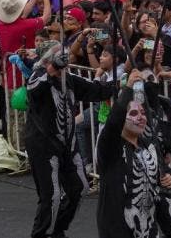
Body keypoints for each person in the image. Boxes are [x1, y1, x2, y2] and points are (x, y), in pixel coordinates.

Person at [24, 45, 117, 238]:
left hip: (68, 145)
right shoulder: (39, 75)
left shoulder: (70, 80)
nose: (65, 62)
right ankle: (41, 234)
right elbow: (33, 87)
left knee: (80, 187)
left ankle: (57, 229)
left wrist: (122, 83)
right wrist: (52, 69)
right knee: (52, 196)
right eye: (61, 58)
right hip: (43, 146)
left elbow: (97, 90)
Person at [96, 69, 171, 238]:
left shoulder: (149, 145)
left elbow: (166, 173)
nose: (141, 117)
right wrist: (128, 89)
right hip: (118, 229)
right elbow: (113, 122)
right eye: (134, 113)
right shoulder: (110, 148)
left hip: (149, 229)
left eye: (143, 114)